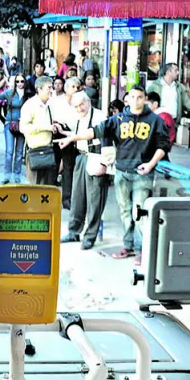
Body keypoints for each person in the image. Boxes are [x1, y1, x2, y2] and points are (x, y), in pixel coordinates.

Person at [58, 85, 170, 262]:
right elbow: (96, 131)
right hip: (122, 171)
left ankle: (142, 250)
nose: (135, 101)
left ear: (145, 99)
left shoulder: (155, 120)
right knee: (125, 212)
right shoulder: (118, 119)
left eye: (139, 97)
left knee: (138, 212)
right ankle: (128, 246)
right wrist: (72, 138)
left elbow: (163, 145)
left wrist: (150, 164)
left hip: (142, 173)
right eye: (132, 97)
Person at [62, 91, 108, 250]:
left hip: (96, 157)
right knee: (77, 197)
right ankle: (73, 231)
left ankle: (90, 236)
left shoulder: (100, 117)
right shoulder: (77, 117)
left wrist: (104, 162)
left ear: (88, 102)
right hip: (81, 157)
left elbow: (107, 141)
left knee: (95, 200)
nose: (80, 108)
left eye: (82, 104)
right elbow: (77, 135)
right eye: (76, 106)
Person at [51, 77, 83, 209]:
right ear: (66, 88)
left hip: (73, 135)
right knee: (54, 165)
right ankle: (50, 196)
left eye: (77, 87)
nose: (75, 89)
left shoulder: (81, 102)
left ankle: (67, 198)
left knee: (69, 167)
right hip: (57, 133)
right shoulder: (57, 101)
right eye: (73, 87)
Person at [20, 76, 57, 185]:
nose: (51, 90)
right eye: (49, 88)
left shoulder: (52, 104)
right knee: (34, 189)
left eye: (52, 87)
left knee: (48, 189)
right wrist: (46, 127)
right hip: (35, 152)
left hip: (49, 150)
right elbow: (23, 127)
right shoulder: (29, 105)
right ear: (39, 89)